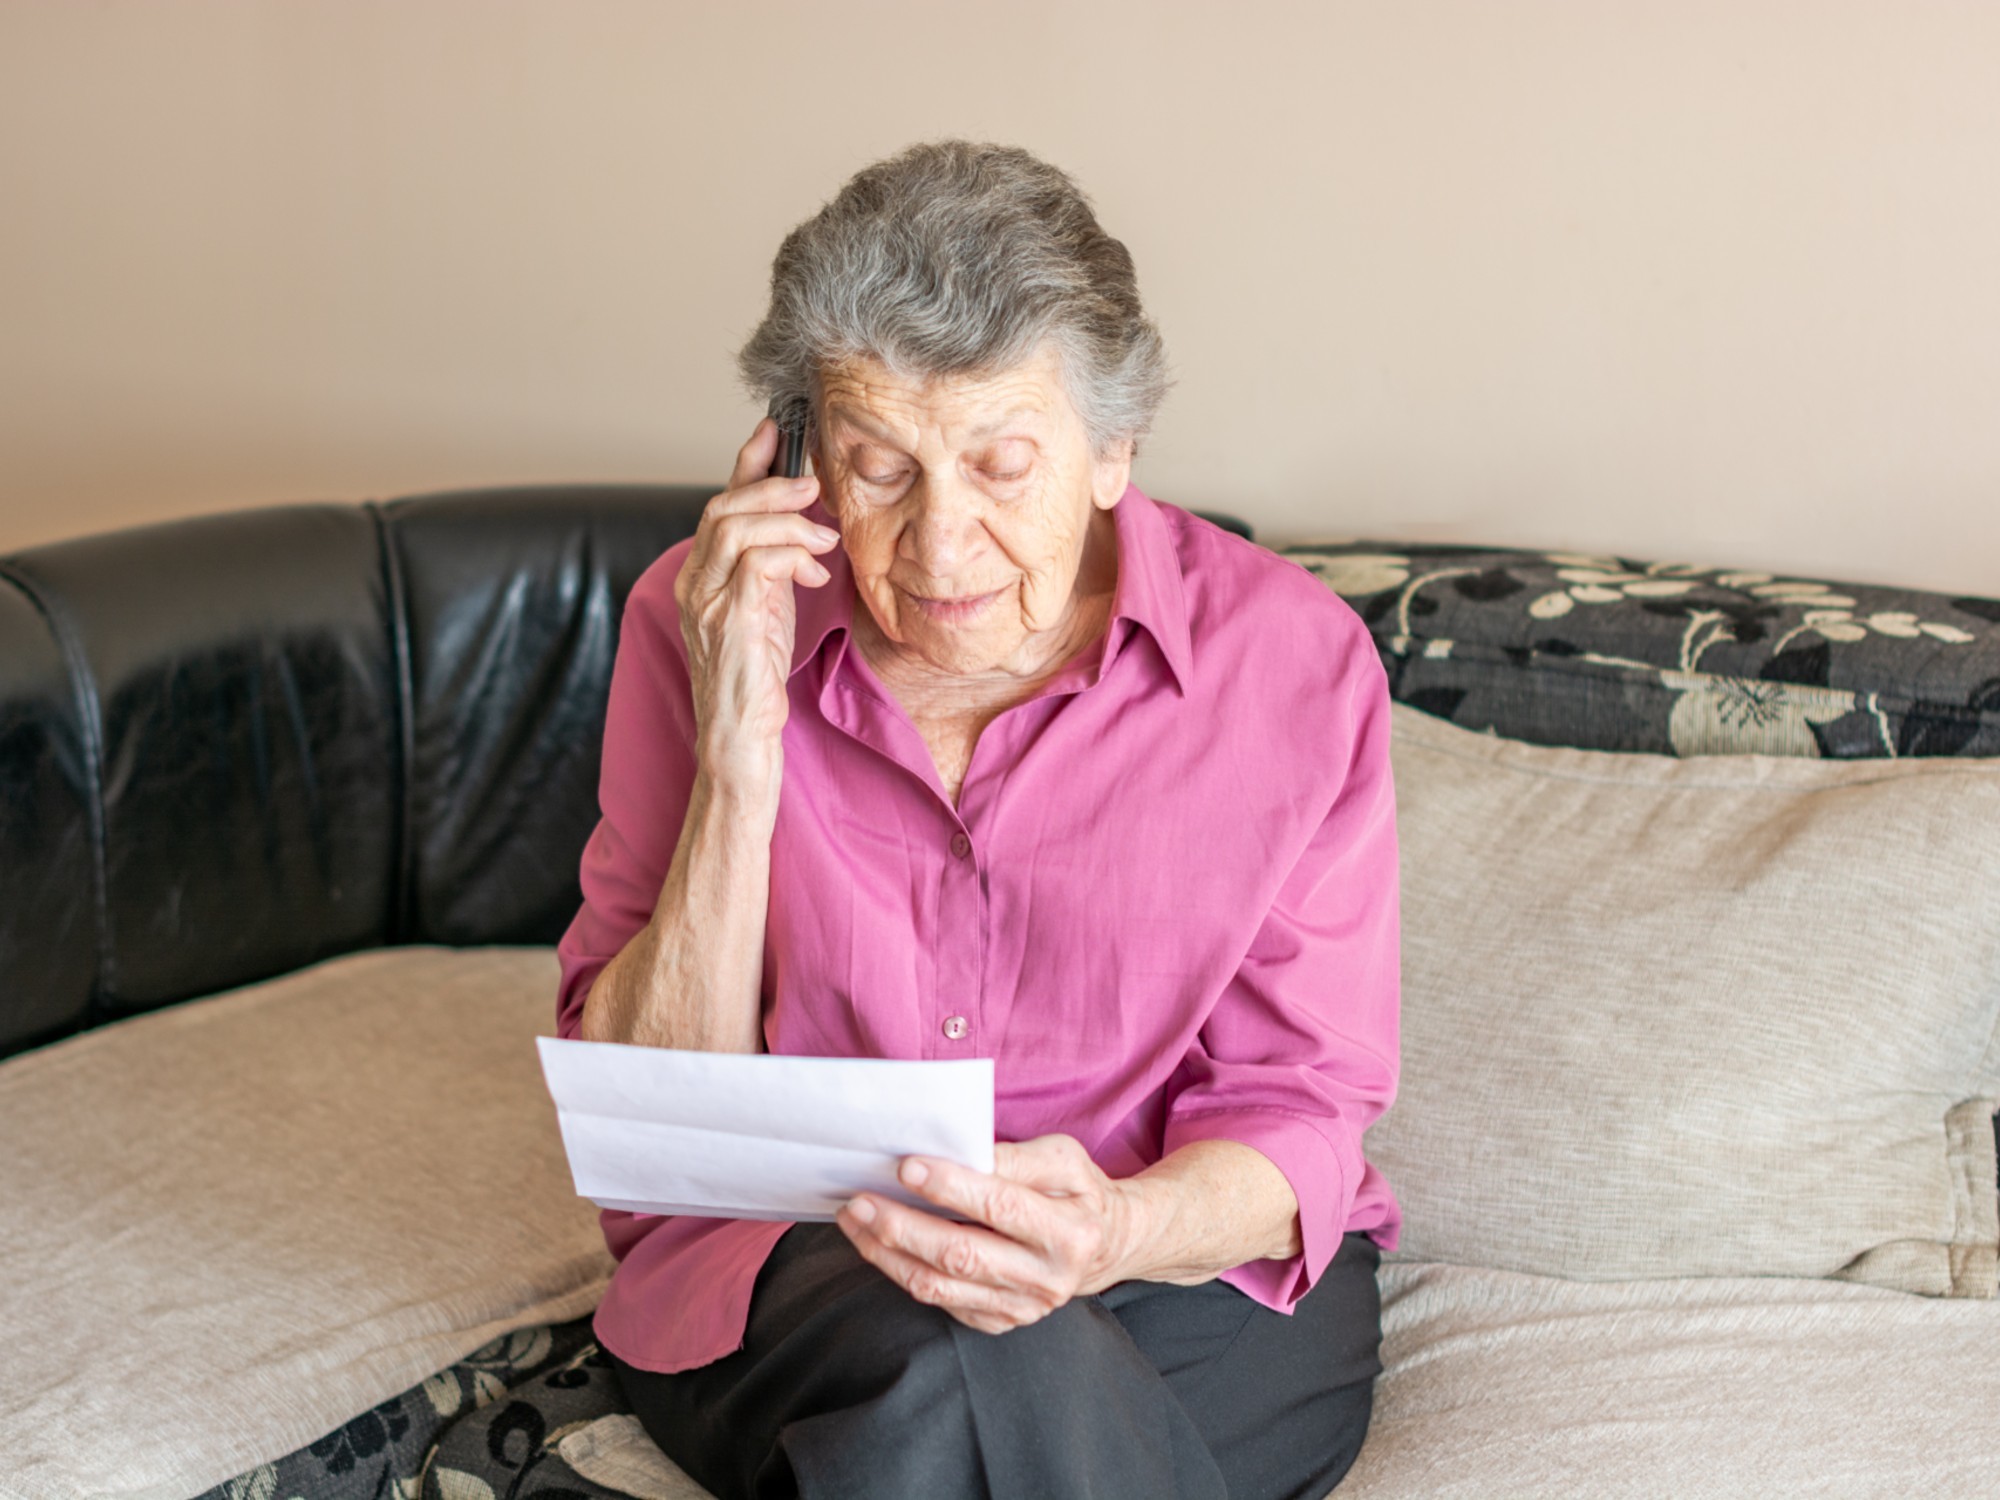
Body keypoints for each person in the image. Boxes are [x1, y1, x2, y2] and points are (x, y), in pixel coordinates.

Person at [555, 140, 1400, 1500]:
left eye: (1002, 465)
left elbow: (1301, 1106)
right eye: (878, 468)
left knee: (962, 1419)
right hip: (819, 1263)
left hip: (1187, 1256)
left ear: (1115, 450)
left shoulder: (1292, 666)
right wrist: (739, 755)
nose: (940, 547)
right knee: (964, 1358)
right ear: (795, 458)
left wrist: (1114, 1229)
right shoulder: (701, 619)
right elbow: (656, 1126)